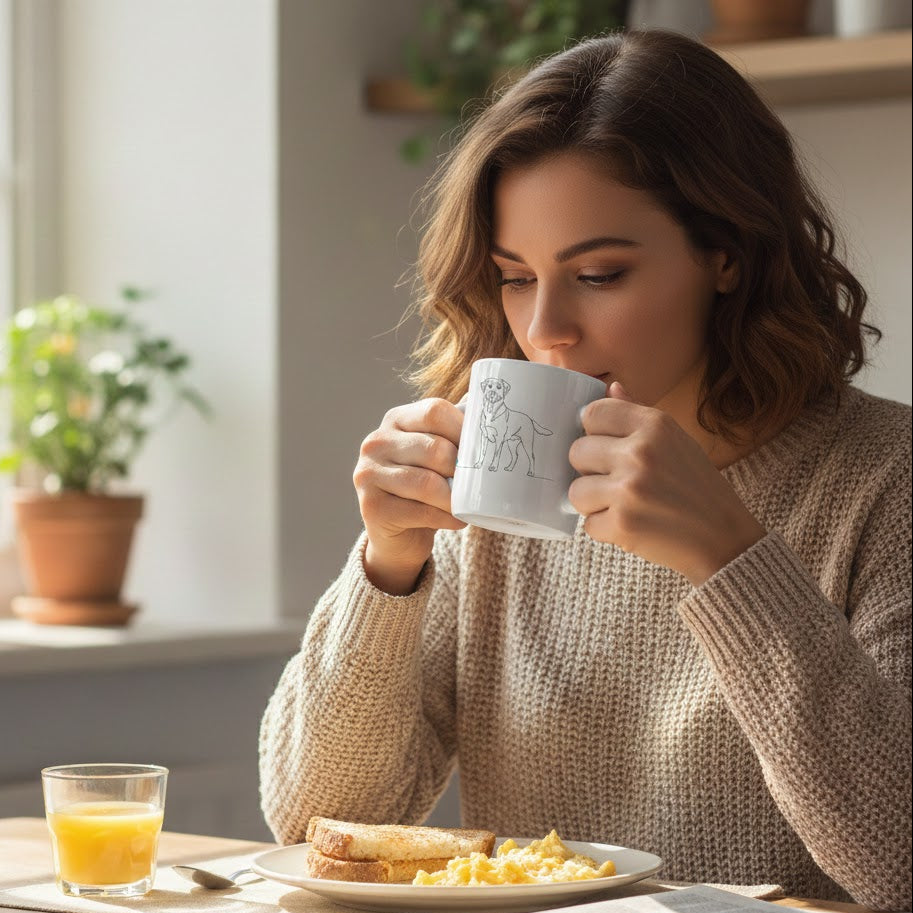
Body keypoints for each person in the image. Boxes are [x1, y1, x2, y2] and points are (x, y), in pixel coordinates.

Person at [259, 29, 911, 909]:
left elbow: (898, 862)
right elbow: (314, 822)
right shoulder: (498, 489)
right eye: (514, 277)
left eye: (598, 273)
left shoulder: (885, 478)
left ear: (728, 254)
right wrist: (386, 569)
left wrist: (730, 557)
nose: (547, 329)